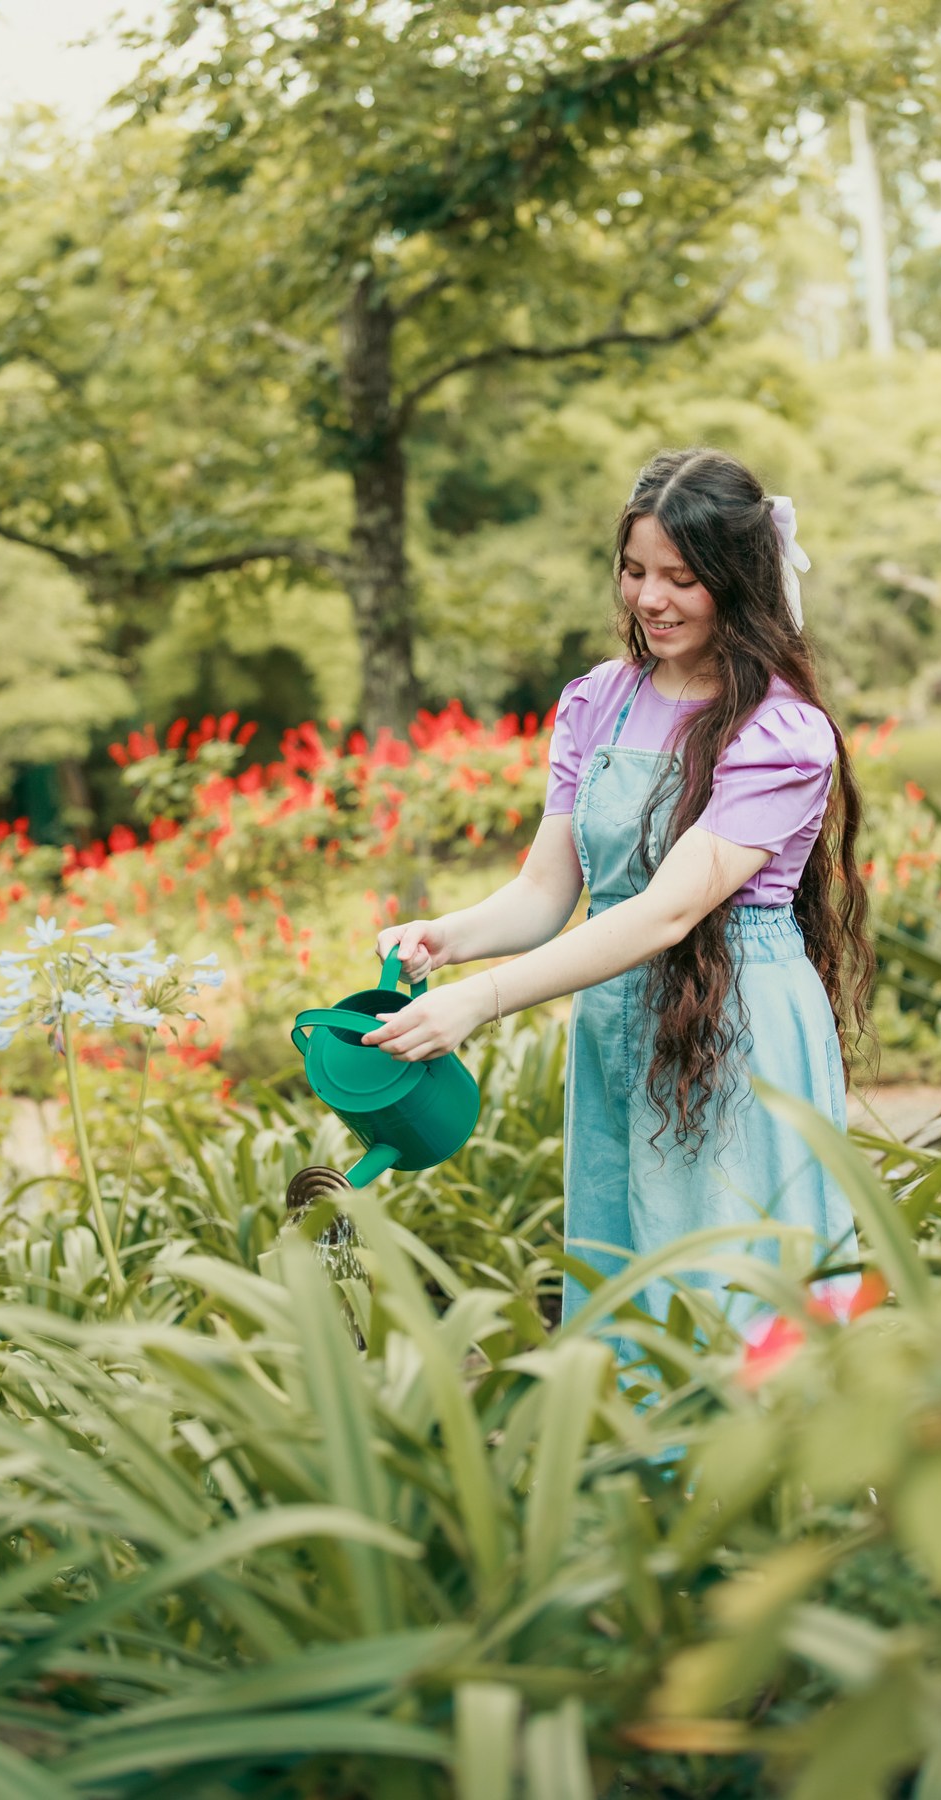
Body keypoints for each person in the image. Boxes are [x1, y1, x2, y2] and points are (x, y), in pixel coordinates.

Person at [365, 447, 875, 1333]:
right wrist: (449, 938)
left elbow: (669, 910)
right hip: (622, 1018)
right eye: (635, 571)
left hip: (737, 1021)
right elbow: (547, 889)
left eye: (681, 577)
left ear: (736, 581)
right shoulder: (599, 700)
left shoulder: (780, 732)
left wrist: (480, 1002)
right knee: (631, 1278)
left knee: (733, 1290)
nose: (649, 599)